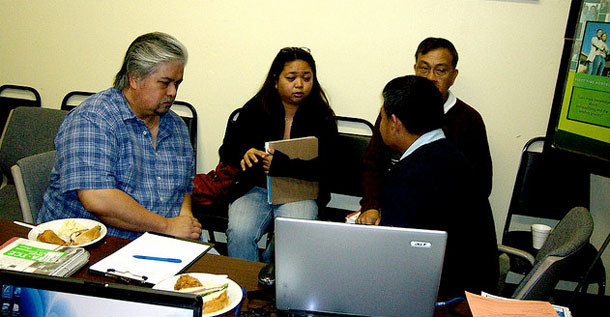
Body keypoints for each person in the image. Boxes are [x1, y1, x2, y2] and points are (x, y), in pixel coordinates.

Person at [37, 32, 202, 241]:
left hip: (160, 240)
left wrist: (185, 220)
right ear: (134, 78)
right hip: (93, 243)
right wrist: (168, 226)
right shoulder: (93, 118)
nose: (172, 92)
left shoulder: (175, 126)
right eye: (165, 82)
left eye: (177, 83)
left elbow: (183, 186)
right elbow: (98, 199)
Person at [360, 75, 499, 297]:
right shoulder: (453, 156)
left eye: (383, 117)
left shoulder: (409, 175)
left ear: (395, 123)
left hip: (446, 300)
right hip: (476, 286)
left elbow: (392, 261)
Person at [220, 47, 337, 263]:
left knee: (291, 235)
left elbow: (329, 167)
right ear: (276, 81)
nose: (299, 84)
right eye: (291, 78)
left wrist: (284, 165)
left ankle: (272, 281)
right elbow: (227, 150)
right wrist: (244, 154)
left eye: (306, 78)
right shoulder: (255, 108)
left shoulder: (322, 116)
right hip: (255, 188)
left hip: (300, 190)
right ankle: (246, 285)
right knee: (240, 232)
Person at [358, 37, 492, 223]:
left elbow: (480, 185)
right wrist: (371, 206)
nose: (430, 78)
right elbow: (373, 164)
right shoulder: (394, 108)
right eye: (424, 68)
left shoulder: (469, 120)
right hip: (396, 207)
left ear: (453, 76)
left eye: (440, 70)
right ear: (415, 70)